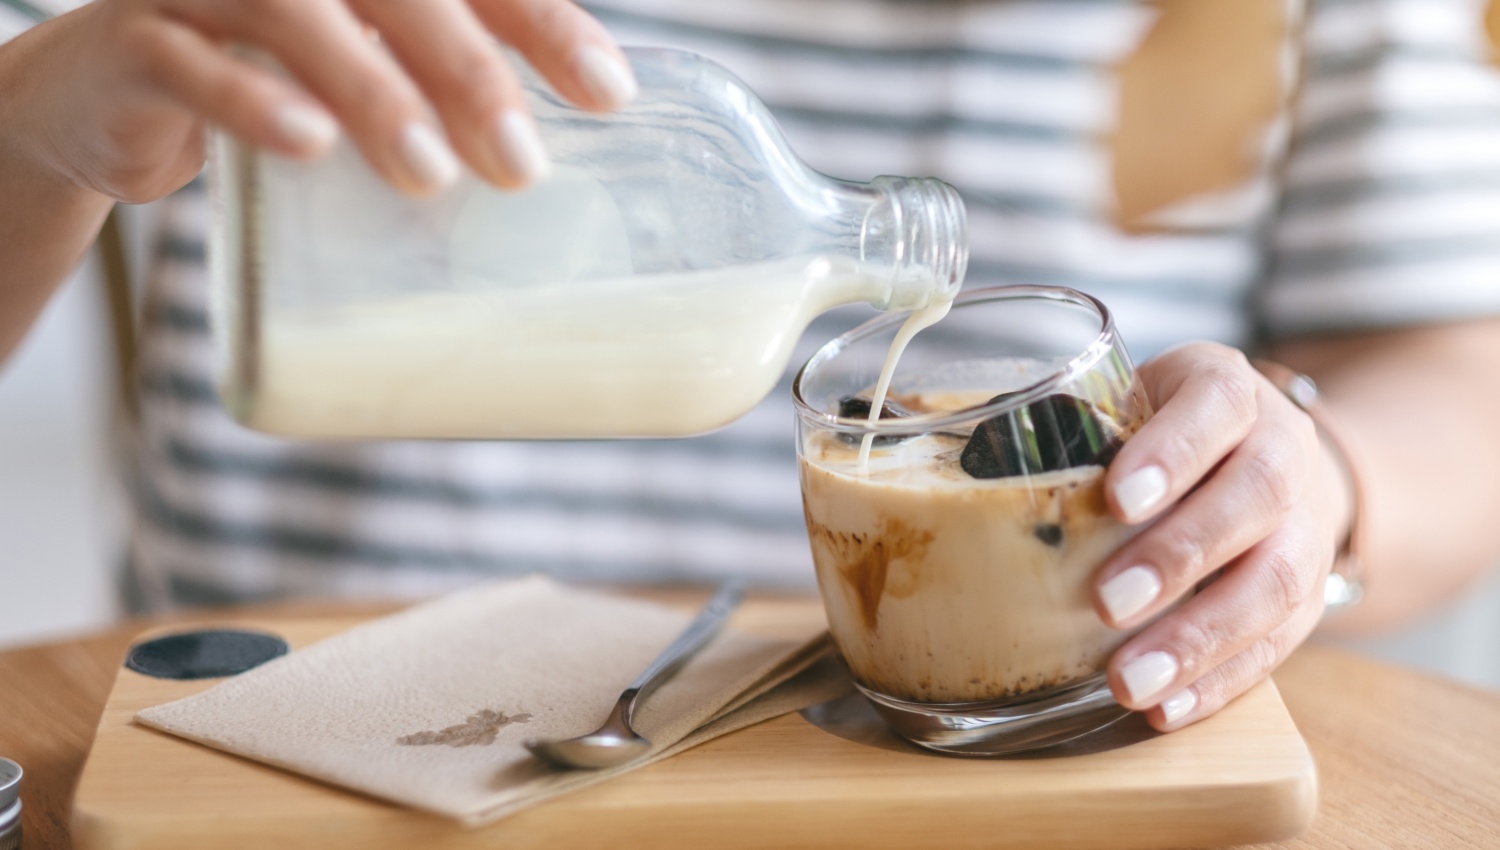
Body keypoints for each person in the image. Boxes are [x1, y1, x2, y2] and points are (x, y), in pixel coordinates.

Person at [4, 0, 1500, 735]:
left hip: (996, 759)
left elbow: (1455, 364)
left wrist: (1317, 475)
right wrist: (35, 131)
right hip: (281, 737)